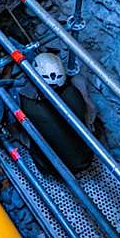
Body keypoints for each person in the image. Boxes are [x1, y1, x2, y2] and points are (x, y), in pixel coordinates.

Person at [19, 50, 101, 178]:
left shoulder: (30, 107)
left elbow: (18, 133)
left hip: (58, 171)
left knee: (29, 136)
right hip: (87, 157)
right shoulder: (74, 93)